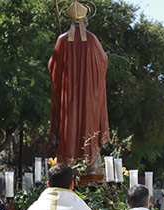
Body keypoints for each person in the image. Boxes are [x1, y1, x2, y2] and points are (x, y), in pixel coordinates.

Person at [48, 1, 109, 166]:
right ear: (85, 21)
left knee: (69, 126)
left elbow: (52, 66)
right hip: (89, 99)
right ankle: (89, 167)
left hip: (68, 99)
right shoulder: (92, 40)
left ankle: (68, 166)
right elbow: (103, 62)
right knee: (88, 126)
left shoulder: (61, 40)